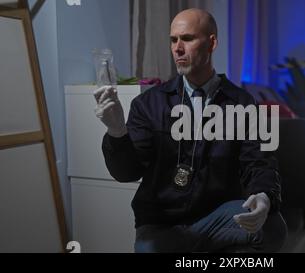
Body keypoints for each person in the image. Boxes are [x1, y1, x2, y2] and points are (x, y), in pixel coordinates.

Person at [93, 8, 287, 253]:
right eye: (173, 40)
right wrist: (117, 130)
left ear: (212, 43)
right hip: (161, 225)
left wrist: (263, 196)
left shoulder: (242, 103)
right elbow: (127, 172)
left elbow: (260, 161)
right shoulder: (149, 103)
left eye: (187, 39)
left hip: (217, 219)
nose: (177, 48)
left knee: (273, 227)